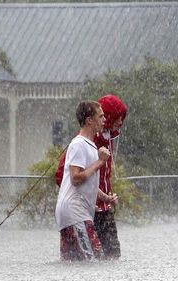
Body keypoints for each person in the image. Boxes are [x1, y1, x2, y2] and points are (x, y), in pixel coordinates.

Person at [55, 94, 128, 259]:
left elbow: (92, 181)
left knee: (80, 261)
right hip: (79, 211)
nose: (121, 122)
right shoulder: (81, 143)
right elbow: (70, 177)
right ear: (91, 120)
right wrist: (99, 163)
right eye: (117, 117)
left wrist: (105, 198)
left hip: (94, 208)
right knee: (96, 260)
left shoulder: (104, 139)